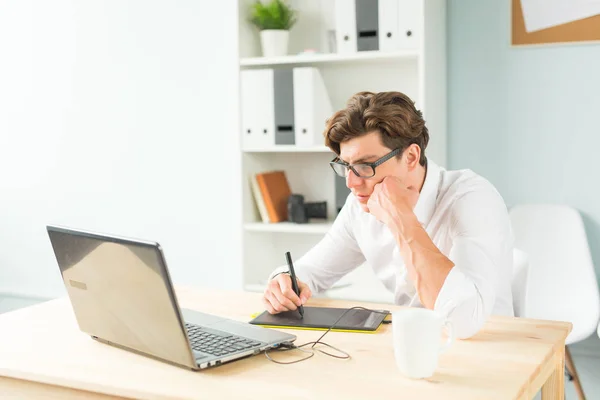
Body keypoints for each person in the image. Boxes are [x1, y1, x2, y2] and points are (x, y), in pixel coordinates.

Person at [262, 91, 514, 339]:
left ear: (411, 157)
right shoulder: (359, 205)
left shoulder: (472, 198)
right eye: (345, 166)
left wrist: (401, 218)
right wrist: (283, 282)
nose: (351, 182)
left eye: (365, 166)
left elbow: (461, 321)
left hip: (491, 350)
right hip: (416, 343)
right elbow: (312, 271)